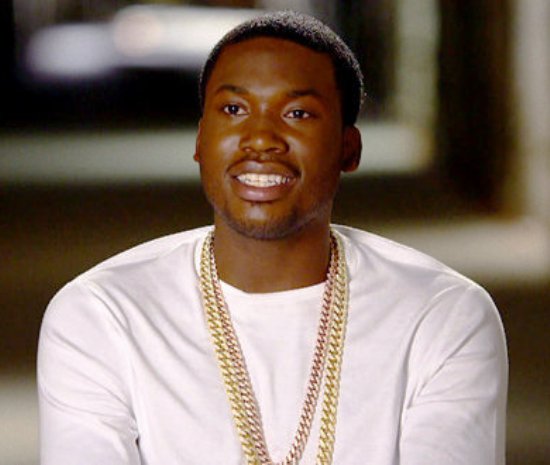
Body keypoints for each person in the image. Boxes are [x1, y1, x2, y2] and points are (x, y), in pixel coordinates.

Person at [37, 11, 507, 465]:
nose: (261, 139)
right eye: (234, 109)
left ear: (349, 148)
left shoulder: (441, 317)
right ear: (200, 141)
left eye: (298, 113)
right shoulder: (103, 315)